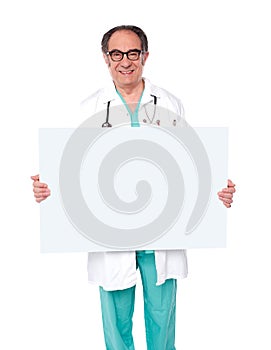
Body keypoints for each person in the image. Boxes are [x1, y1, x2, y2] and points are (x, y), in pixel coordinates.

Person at [31, 25, 236, 350]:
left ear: (145, 56)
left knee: (162, 318)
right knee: (115, 322)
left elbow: (193, 163)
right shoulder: (89, 107)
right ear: (105, 58)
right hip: (108, 229)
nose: (124, 61)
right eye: (116, 53)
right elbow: (70, 168)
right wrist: (47, 190)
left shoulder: (169, 102)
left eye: (132, 53)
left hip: (163, 232)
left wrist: (217, 192)